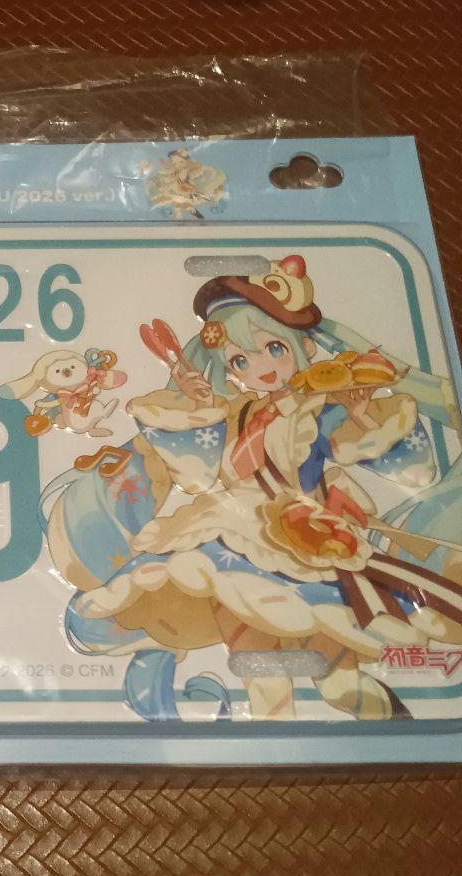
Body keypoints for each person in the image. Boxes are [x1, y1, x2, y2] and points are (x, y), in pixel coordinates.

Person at [45, 256, 462, 720]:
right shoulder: (234, 414)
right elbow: (203, 473)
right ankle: (276, 734)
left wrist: (360, 413)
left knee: (339, 681)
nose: (260, 367)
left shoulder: (315, 409)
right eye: (241, 360)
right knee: (258, 667)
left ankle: (391, 728)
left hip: (304, 536)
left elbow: (362, 451)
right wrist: (201, 403)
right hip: (231, 531)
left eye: (274, 348)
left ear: (304, 347)